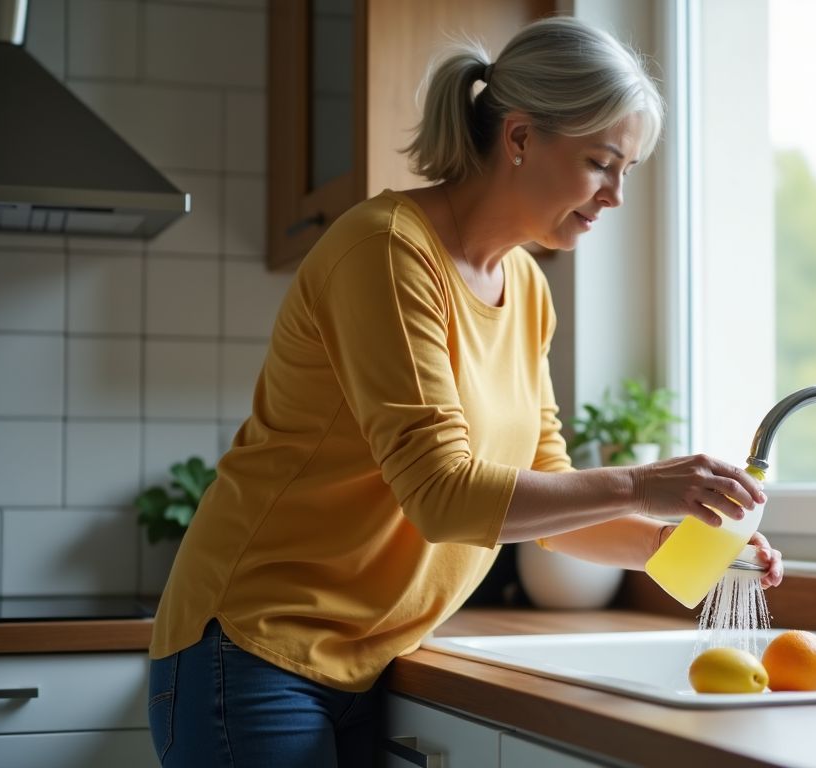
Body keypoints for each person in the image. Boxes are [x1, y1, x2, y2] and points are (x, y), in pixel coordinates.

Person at [145, 15, 782, 768]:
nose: (614, 194)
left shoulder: (526, 286)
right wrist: (645, 484)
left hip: (369, 657)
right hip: (256, 651)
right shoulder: (386, 250)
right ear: (519, 139)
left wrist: (667, 545)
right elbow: (443, 496)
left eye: (628, 171)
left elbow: (544, 499)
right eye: (600, 162)